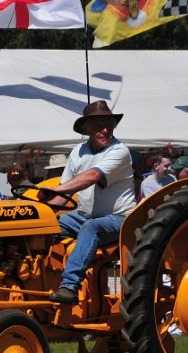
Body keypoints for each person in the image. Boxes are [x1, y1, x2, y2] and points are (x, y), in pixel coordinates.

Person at [46, 101, 137, 304]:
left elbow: (93, 176)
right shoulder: (78, 151)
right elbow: (64, 193)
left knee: (91, 227)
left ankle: (69, 286)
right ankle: (39, 278)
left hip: (121, 219)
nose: (105, 130)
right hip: (85, 216)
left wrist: (58, 190)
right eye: (99, 126)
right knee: (46, 226)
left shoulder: (119, 151)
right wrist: (42, 211)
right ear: (86, 129)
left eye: (109, 126)